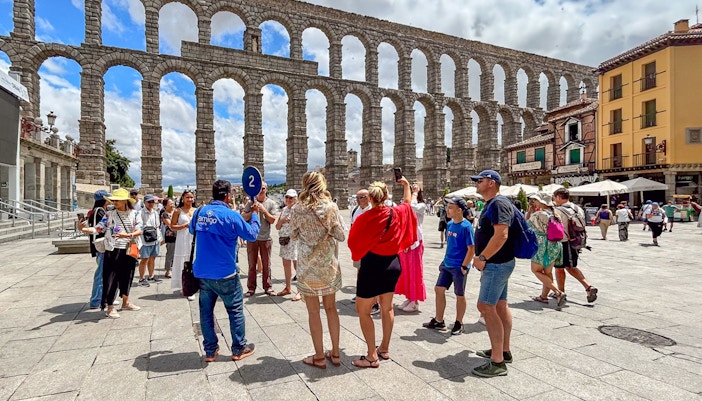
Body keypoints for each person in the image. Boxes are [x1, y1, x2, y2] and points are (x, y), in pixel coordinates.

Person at [348, 177, 417, 368]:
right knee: (387, 308)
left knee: (363, 311)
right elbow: (407, 203)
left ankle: (371, 355)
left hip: (372, 265)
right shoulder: (396, 213)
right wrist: (406, 186)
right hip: (393, 264)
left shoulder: (364, 218)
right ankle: (384, 348)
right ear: (386, 196)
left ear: (369, 198)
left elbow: (353, 242)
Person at [190, 180, 260, 362]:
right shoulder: (230, 215)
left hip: (203, 273)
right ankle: (238, 348)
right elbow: (252, 234)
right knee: (235, 309)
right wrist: (255, 216)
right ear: (228, 196)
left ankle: (210, 351)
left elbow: (192, 231)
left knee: (205, 312)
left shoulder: (199, 212)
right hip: (225, 272)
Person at [289, 172, 346, 369]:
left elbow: (293, 234)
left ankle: (319, 356)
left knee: (313, 312)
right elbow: (340, 235)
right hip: (328, 265)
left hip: (306, 268)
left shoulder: (297, 208)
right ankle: (336, 353)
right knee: (331, 309)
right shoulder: (331, 207)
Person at [469, 170, 514, 377]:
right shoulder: (493, 204)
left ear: (492, 183)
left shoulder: (498, 203)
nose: (477, 183)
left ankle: (497, 362)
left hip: (495, 264)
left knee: (485, 306)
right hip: (499, 263)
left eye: (480, 181)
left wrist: (483, 257)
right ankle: (503, 351)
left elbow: (502, 234)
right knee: (500, 305)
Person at [83, 188, 143, 319]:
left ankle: (126, 302)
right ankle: (110, 306)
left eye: (117, 200)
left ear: (125, 201)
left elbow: (140, 229)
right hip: (113, 249)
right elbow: (99, 227)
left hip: (128, 249)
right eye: (113, 200)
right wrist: (86, 229)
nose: (114, 202)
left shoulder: (135, 214)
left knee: (128, 276)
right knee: (111, 278)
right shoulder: (109, 214)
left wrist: (127, 235)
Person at [422, 196, 474, 335]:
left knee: (459, 294)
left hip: (459, 266)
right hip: (447, 264)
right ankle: (439, 320)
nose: (447, 210)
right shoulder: (450, 224)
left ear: (459, 210)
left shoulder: (466, 227)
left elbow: (471, 249)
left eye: (450, 207)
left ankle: (459, 322)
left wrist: (464, 266)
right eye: (447, 207)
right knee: (439, 289)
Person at [553, 188, 598, 303]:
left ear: (558, 197)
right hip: (577, 241)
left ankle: (561, 292)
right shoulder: (578, 208)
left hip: (564, 242)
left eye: (554, 198)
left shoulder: (558, 210)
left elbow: (557, 229)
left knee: (560, 268)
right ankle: (587, 288)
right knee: (570, 266)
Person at [525, 192, 566, 309]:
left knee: (536, 270)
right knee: (547, 272)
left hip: (542, 244)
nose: (534, 202)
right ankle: (543, 296)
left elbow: (525, 224)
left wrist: (529, 211)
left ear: (541, 202)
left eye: (535, 200)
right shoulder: (555, 213)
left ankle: (558, 292)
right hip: (554, 245)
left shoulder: (539, 214)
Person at [242, 182, 279, 297]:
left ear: (267, 189)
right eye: (259, 188)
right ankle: (251, 288)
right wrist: (253, 211)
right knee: (252, 265)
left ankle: (268, 287)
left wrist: (263, 211)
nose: (261, 190)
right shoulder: (250, 202)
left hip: (265, 238)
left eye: (263, 188)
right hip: (252, 238)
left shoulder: (271, 203)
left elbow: (273, 220)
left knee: (266, 264)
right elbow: (243, 217)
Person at [395, 184, 427, 313]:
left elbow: (411, 206)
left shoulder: (421, 205)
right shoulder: (409, 203)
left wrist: (413, 192)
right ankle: (410, 297)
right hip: (406, 241)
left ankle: (415, 301)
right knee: (406, 271)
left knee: (414, 271)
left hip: (416, 242)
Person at [79, 189, 111, 309]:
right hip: (101, 246)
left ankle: (104, 298)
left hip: (98, 246)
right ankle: (96, 300)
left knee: (103, 273)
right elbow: (101, 228)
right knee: (101, 274)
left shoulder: (96, 210)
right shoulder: (100, 212)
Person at [350, 189, 379, 314]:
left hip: (372, 248)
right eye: (357, 197)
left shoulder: (373, 210)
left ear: (368, 197)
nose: (358, 200)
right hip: (359, 247)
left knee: (373, 274)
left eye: (361, 197)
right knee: (360, 271)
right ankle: (361, 294)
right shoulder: (354, 210)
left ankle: (375, 302)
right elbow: (352, 227)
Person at [276, 189, 301, 301]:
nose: (288, 199)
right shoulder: (284, 210)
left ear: (296, 199)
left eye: (291, 198)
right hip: (285, 241)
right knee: (286, 264)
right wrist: (283, 220)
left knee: (297, 266)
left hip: (295, 241)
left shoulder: (299, 210)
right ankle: (288, 287)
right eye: (286, 197)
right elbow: (277, 226)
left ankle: (301, 291)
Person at [171, 190, 196, 297]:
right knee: (183, 260)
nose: (189, 199)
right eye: (187, 197)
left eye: (191, 197)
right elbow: (172, 226)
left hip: (195, 238)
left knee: (195, 259)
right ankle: (184, 285)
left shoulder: (196, 210)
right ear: (183, 198)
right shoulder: (178, 211)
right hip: (183, 238)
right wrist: (184, 226)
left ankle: (195, 284)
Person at [137, 195, 163, 286]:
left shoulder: (155, 212)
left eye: (152, 202)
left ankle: (151, 276)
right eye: (149, 202)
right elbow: (139, 225)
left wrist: (160, 238)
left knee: (153, 258)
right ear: (144, 202)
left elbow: (157, 225)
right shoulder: (140, 213)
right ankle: (141, 278)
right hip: (145, 239)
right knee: (144, 259)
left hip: (154, 238)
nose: (151, 203)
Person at [160, 197, 177, 278]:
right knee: (170, 254)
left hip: (179, 235)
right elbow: (170, 225)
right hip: (170, 236)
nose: (172, 205)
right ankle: (168, 270)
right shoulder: (164, 214)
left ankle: (175, 268)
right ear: (165, 206)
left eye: (173, 203)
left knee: (176, 254)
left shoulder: (176, 212)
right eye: (170, 204)